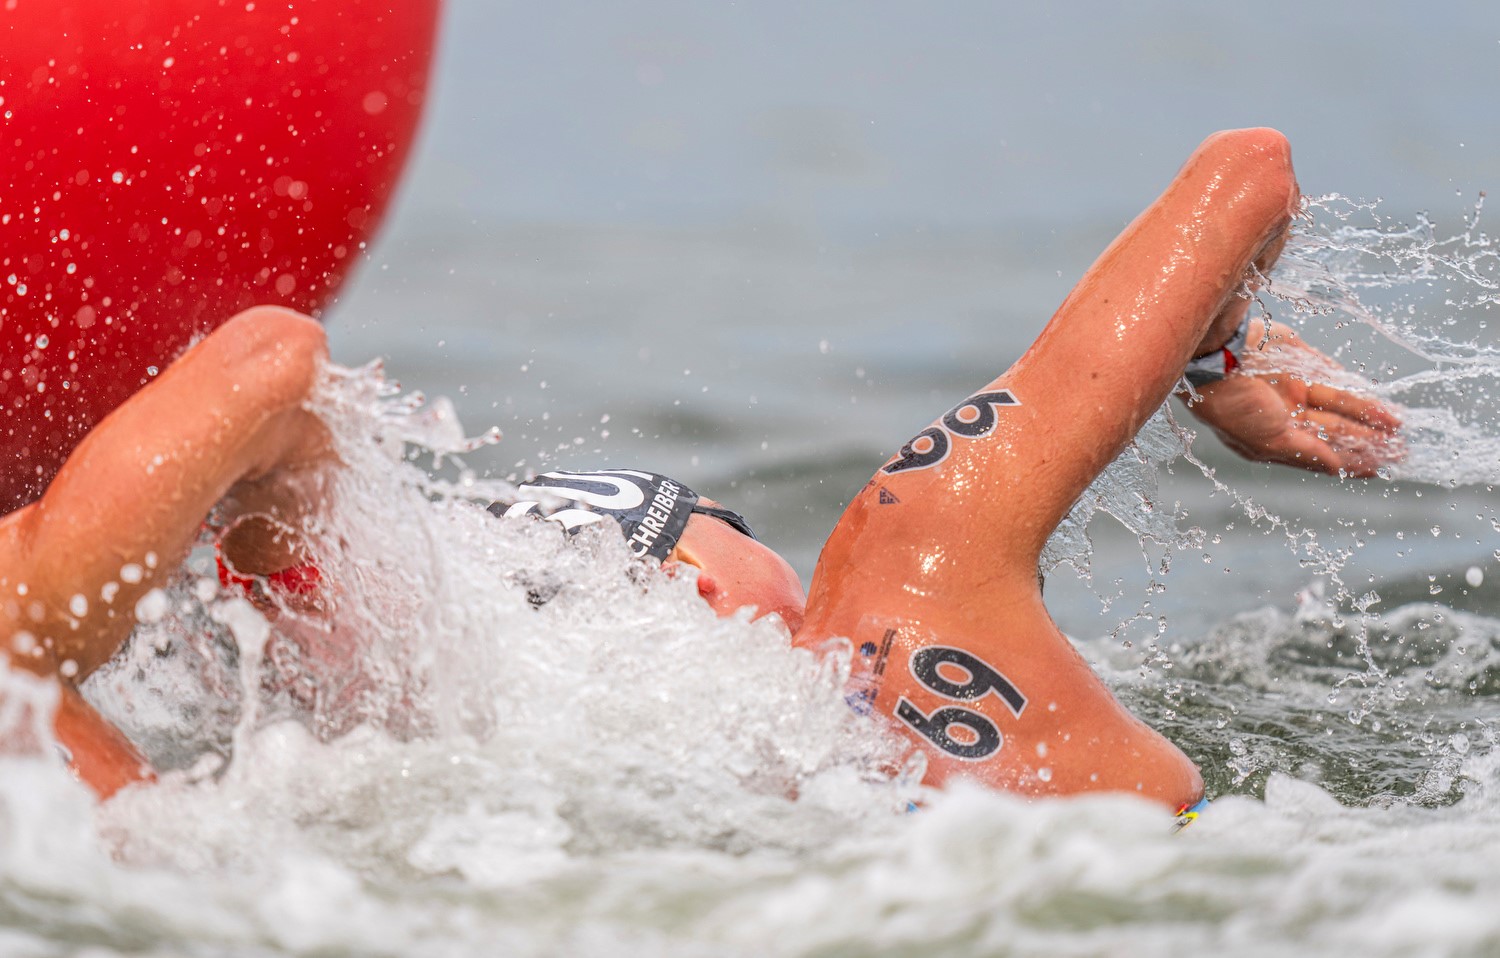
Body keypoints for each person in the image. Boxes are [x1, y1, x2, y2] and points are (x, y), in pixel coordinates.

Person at [0, 128, 1401, 810]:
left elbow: (262, 369)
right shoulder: (918, 587)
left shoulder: (325, 770)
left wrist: (59, 596)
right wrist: (1221, 364)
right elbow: (1245, 171)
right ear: (747, 606)